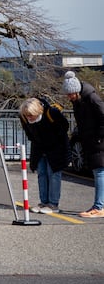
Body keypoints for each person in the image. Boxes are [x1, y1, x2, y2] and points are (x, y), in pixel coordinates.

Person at [63, 71, 104, 218]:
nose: (68, 97)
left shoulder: (92, 98)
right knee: (98, 172)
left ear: (76, 91)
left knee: (99, 172)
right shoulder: (78, 101)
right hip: (90, 140)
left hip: (97, 141)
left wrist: (99, 136)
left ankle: (99, 207)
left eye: (70, 94)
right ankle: (99, 205)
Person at [18, 96, 70, 213]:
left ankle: (53, 204)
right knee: (41, 174)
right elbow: (29, 134)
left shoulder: (52, 113)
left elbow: (64, 127)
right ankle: (43, 202)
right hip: (39, 148)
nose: (28, 118)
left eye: (31, 115)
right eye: (27, 115)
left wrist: (53, 141)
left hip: (56, 148)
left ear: (37, 111)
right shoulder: (24, 117)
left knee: (54, 174)